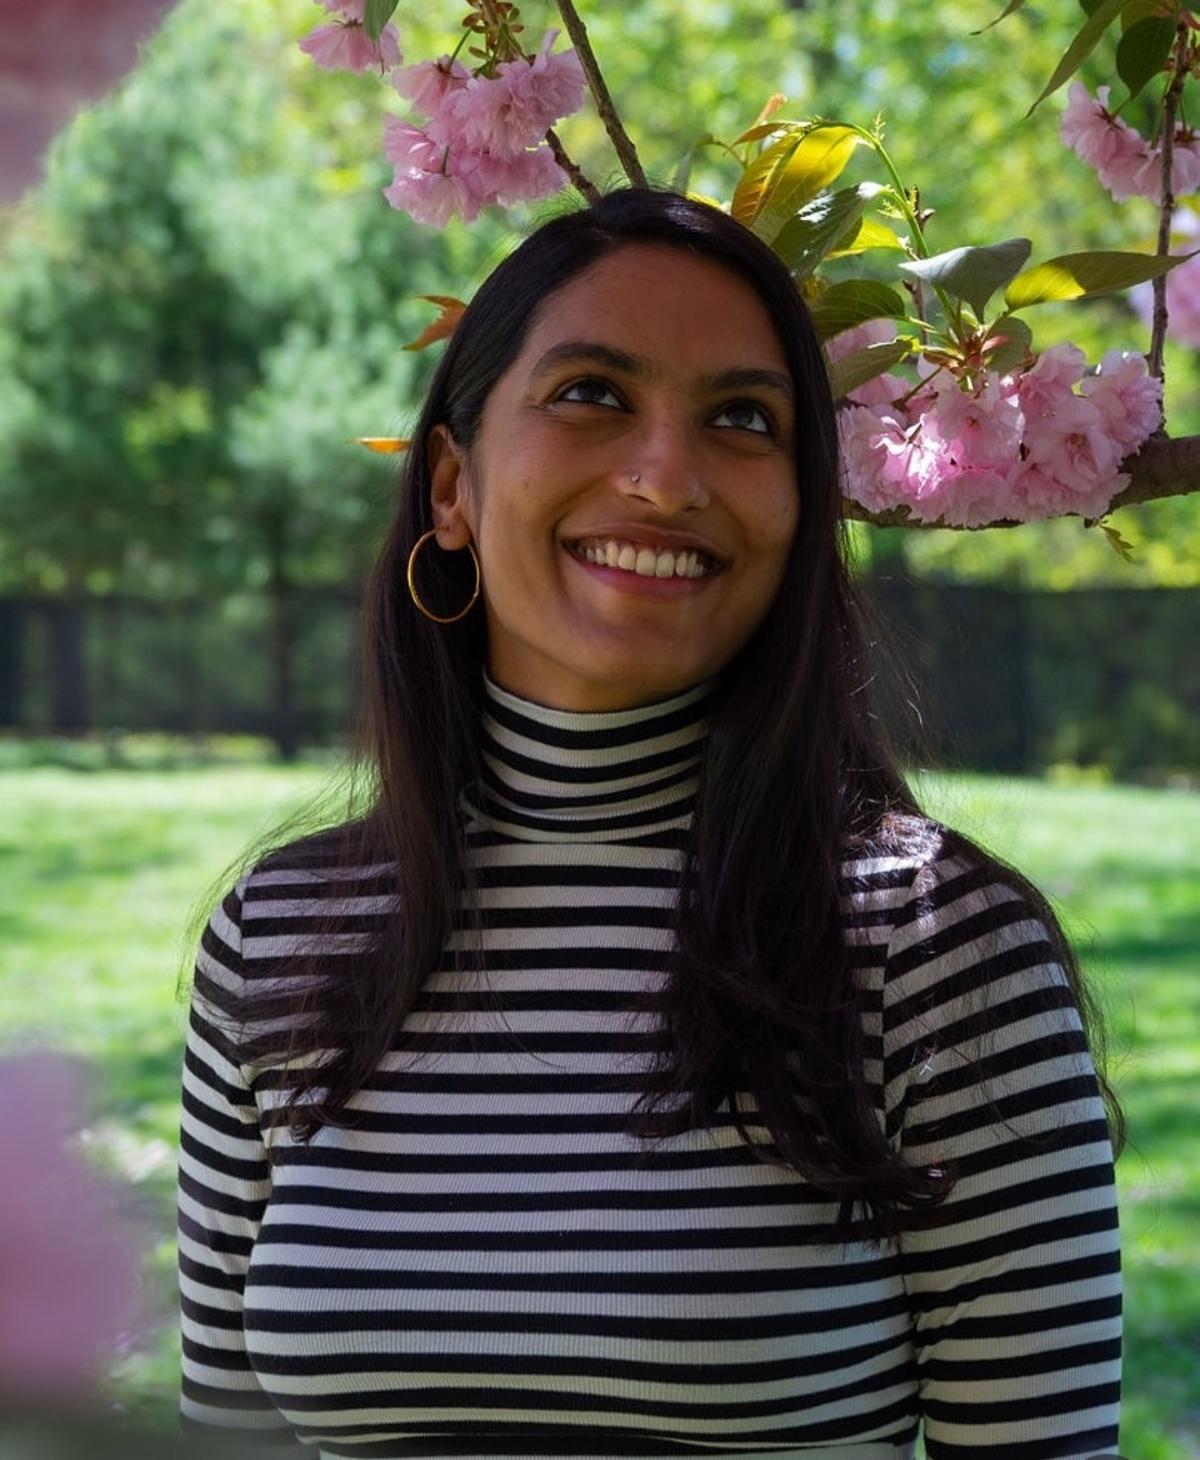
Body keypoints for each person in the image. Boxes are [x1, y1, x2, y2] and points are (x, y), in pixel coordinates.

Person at [177, 187, 1123, 1460]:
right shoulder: (277, 935)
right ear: (452, 486)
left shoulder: (938, 949)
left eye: (743, 419)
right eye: (592, 394)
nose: (666, 477)